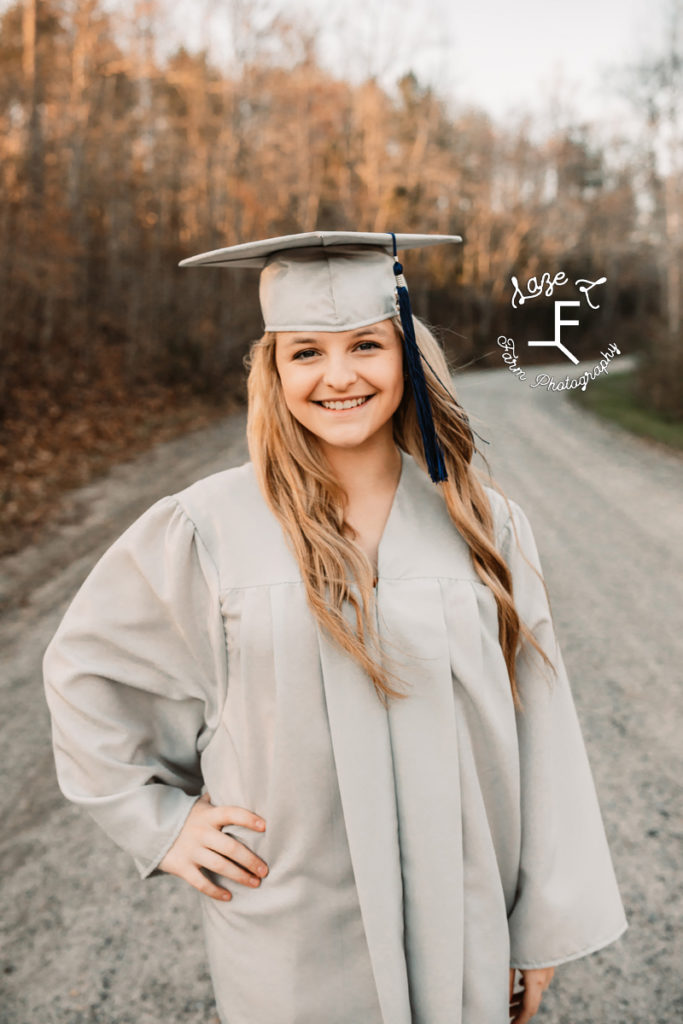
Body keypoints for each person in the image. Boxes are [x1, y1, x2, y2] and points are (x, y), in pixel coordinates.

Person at [43, 231, 628, 1024]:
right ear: (273, 371)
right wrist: (160, 826)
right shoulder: (206, 527)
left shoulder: (485, 524)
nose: (339, 375)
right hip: (291, 931)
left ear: (407, 357)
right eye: (305, 353)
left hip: (465, 913)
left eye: (364, 345)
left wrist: (539, 928)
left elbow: (541, 734)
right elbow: (92, 675)